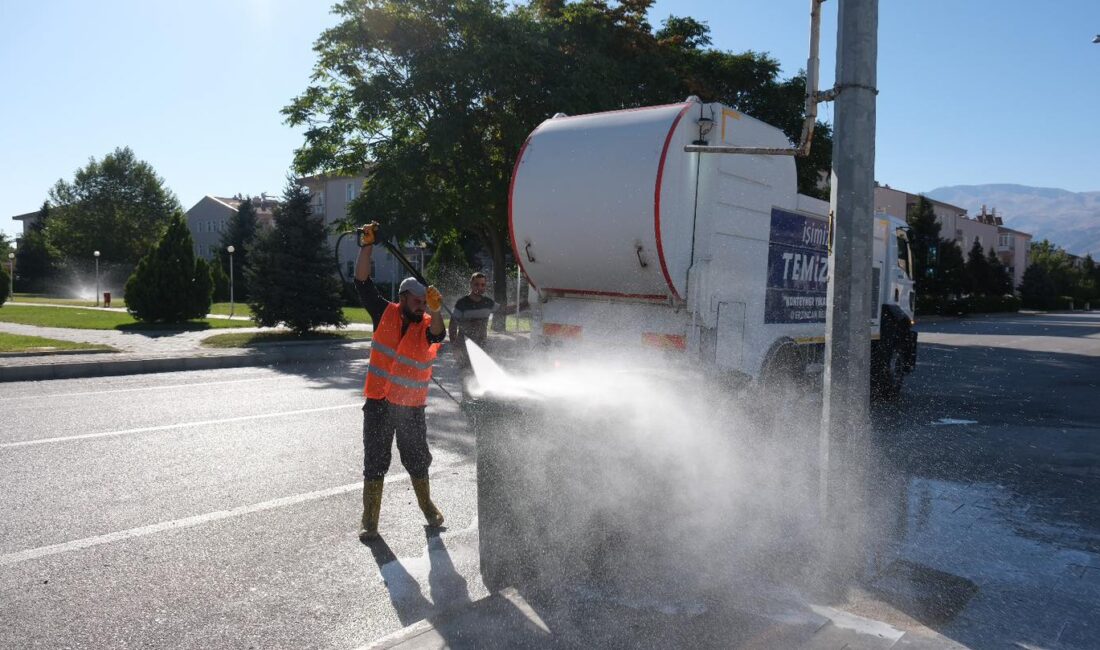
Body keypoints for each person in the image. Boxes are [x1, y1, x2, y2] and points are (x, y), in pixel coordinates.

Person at [354, 223, 447, 542]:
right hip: (379, 402)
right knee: (375, 460)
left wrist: (436, 311)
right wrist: (367, 246)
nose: (422, 304)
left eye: (426, 300)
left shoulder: (427, 325)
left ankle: (427, 506)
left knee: (417, 459)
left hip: (410, 408)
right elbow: (362, 282)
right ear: (403, 296)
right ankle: (370, 520)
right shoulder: (385, 313)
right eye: (418, 299)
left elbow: (438, 333)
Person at [448, 271, 496, 370]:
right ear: (471, 284)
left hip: (481, 347)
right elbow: (452, 325)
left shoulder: (487, 302)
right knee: (466, 379)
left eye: (483, 285)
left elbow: (504, 311)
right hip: (464, 349)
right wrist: (455, 347)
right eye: (476, 284)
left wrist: (525, 305)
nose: (479, 288)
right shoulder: (462, 303)